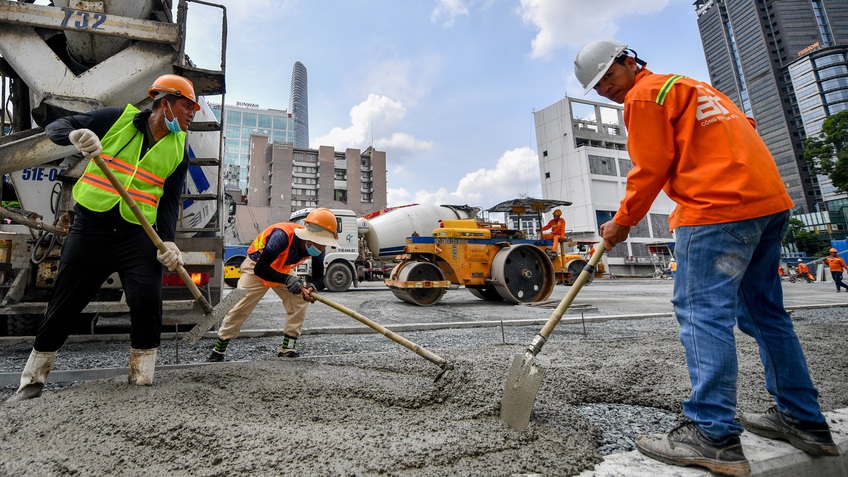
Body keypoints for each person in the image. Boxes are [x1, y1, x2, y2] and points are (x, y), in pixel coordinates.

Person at [574, 39, 838, 475]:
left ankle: (712, 434)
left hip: (716, 211)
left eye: (608, 76)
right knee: (765, 314)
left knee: (701, 313)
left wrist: (623, 221)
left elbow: (651, 167)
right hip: (768, 203)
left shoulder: (643, 95)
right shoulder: (694, 88)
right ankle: (804, 420)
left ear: (628, 61)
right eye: (597, 84)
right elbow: (746, 126)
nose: (604, 88)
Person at [7, 74, 199, 402]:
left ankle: (141, 379)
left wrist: (168, 241)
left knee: (147, 303)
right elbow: (58, 126)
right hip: (91, 229)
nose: (192, 113)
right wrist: (75, 134)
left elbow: (168, 202)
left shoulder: (180, 149)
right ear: (164, 103)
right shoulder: (115, 120)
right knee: (65, 304)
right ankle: (31, 382)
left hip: (138, 236)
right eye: (186, 106)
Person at [208, 208, 338, 361]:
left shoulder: (318, 249)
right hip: (256, 266)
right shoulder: (281, 236)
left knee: (299, 301)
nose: (323, 248)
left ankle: (287, 349)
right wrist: (288, 280)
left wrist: (311, 287)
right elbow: (261, 269)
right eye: (322, 243)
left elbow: (318, 278)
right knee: (240, 306)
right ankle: (219, 350)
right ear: (311, 237)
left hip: (282, 268)